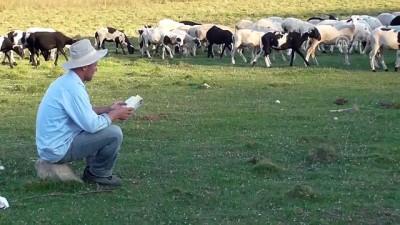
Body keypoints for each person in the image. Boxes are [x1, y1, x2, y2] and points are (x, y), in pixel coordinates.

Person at [35, 39, 133, 187]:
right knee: (114, 133)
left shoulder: (67, 82)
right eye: (95, 64)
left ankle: (92, 170)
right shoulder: (73, 88)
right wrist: (115, 115)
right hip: (58, 149)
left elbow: (83, 113)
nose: (96, 68)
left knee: (101, 124)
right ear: (85, 67)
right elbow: (92, 125)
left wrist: (108, 109)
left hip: (51, 145)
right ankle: (98, 174)